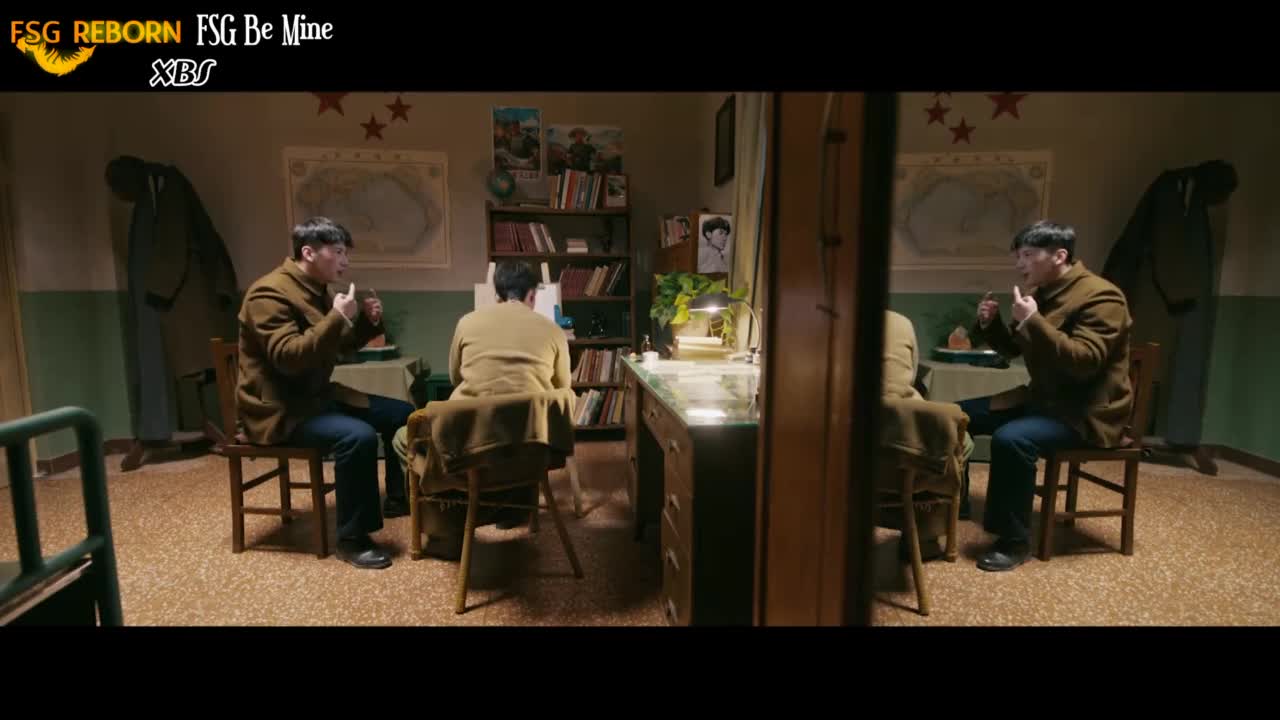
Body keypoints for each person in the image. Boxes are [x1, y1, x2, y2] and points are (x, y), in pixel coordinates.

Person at [236, 217, 414, 570]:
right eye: (339, 252)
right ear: (309, 253)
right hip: (280, 409)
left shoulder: (319, 291)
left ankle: (398, 498)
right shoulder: (268, 293)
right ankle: (352, 540)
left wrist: (365, 323)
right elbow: (288, 358)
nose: (345, 261)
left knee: (402, 413)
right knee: (357, 437)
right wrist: (336, 317)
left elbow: (340, 348)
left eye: (346, 253)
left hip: (317, 399)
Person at [965, 220, 1133, 572]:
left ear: (1059, 256)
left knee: (1012, 439)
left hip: (1085, 413)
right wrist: (991, 325)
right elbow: (1014, 349)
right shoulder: (1043, 293)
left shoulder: (1103, 296)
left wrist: (1033, 321)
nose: (1020, 264)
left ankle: (1014, 542)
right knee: (956, 416)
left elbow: (1085, 362)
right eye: (1018, 256)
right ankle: (953, 504)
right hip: (1041, 402)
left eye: (1028, 255)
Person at [393, 260, 571, 558]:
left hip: (470, 449)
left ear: (497, 294)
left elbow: (456, 377)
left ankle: (446, 524)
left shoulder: (468, 322)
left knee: (403, 439)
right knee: (515, 434)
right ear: (532, 295)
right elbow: (561, 388)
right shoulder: (553, 331)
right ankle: (511, 509)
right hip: (527, 450)